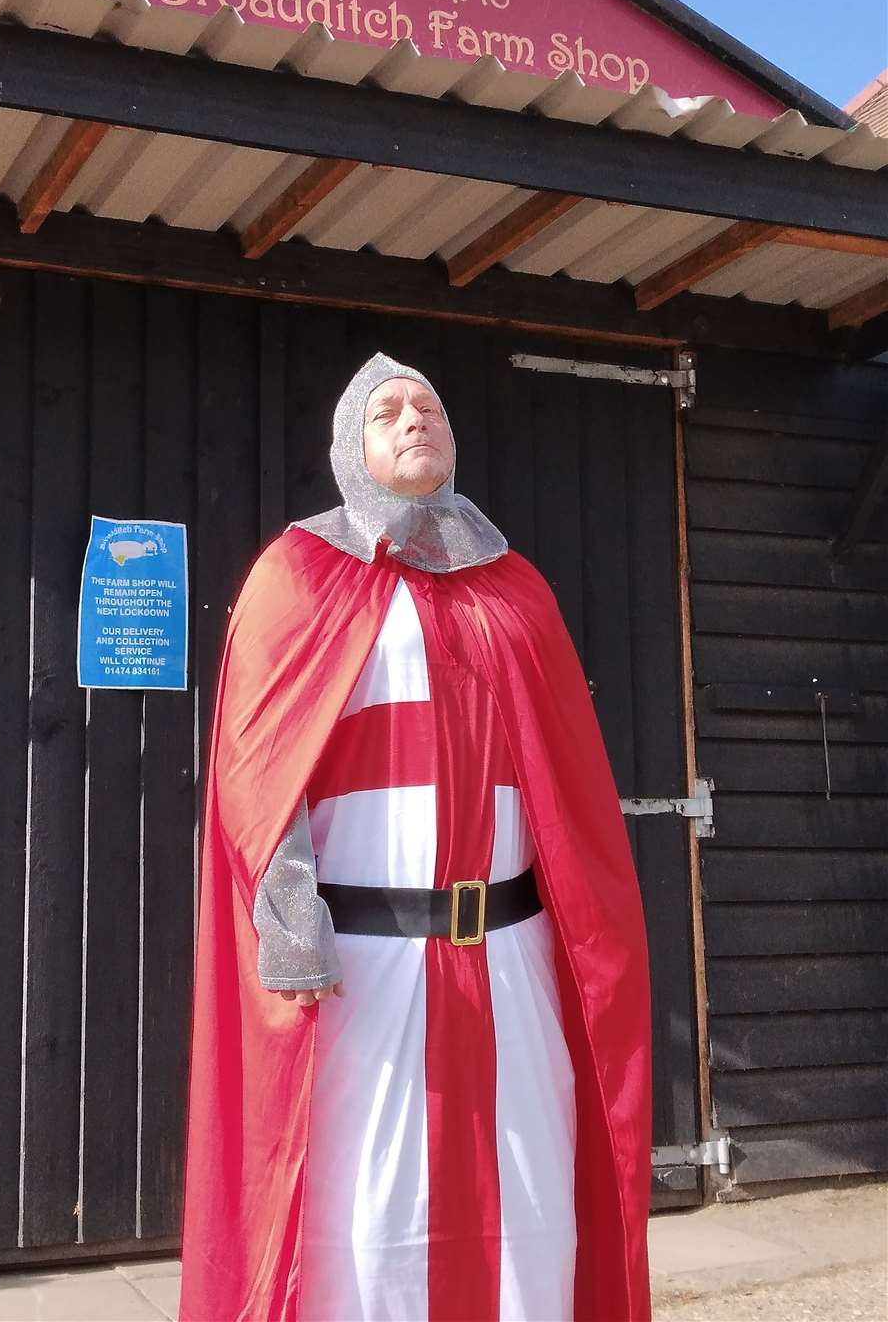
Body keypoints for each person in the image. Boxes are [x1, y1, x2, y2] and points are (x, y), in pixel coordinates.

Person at [180, 352, 652, 1322]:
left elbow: (572, 794)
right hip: (362, 974)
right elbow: (257, 775)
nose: (412, 418)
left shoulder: (516, 590)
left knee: (530, 1221)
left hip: (511, 969)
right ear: (350, 446)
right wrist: (288, 915)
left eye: (428, 405)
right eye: (386, 409)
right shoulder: (298, 575)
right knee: (360, 1228)